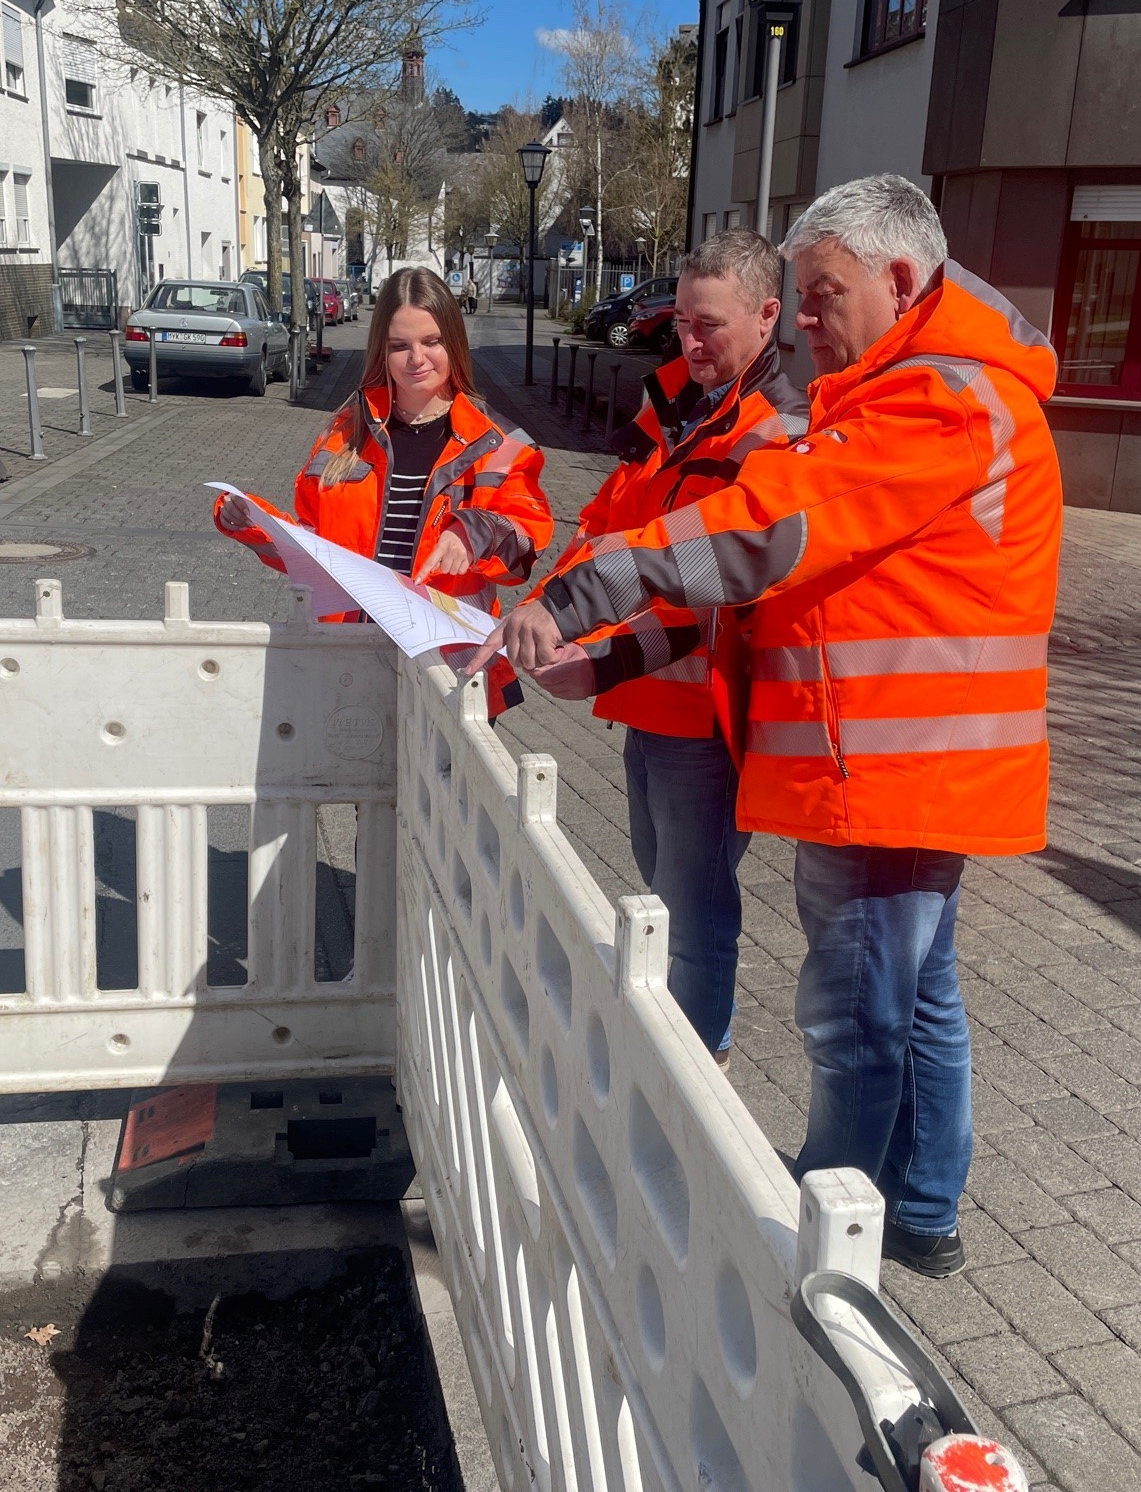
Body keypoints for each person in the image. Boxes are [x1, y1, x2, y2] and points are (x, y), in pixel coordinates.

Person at [473, 176, 1063, 1278]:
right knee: (916, 1000)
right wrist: (610, 654)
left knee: (856, 1026)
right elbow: (749, 609)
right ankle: (921, 1210)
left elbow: (765, 533)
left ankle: (821, 1248)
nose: (800, 318)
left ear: (898, 280)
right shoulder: (900, 392)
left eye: (818, 292)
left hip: (887, 774)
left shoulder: (935, 400)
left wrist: (584, 593)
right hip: (895, 769)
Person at [522, 230, 806, 1067]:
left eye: (707, 325)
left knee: (694, 904)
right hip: (650, 701)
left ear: (765, 316)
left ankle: (695, 1070)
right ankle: (682, 1052)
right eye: (681, 319)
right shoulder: (678, 409)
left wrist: (598, 654)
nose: (687, 340)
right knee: (665, 880)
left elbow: (710, 589)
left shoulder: (772, 434)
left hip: (702, 713)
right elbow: (608, 531)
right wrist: (549, 603)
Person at [215, 266, 551, 715]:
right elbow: (312, 548)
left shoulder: (497, 444)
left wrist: (473, 532)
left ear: (453, 342)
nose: (417, 358)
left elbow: (525, 539)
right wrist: (254, 523)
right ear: (382, 350)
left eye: (432, 341)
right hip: (348, 659)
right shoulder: (345, 435)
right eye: (400, 346)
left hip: (449, 669)